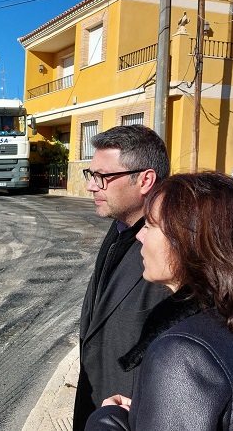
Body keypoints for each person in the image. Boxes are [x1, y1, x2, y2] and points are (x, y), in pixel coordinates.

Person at [85, 172, 233, 431]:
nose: (139, 236)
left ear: (187, 242)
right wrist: (153, 410)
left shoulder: (182, 353)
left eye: (150, 226)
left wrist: (108, 420)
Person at [73, 125, 172, 431]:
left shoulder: (172, 253)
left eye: (103, 177)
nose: (92, 186)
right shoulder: (119, 227)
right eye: (91, 175)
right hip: (100, 409)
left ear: (145, 180)